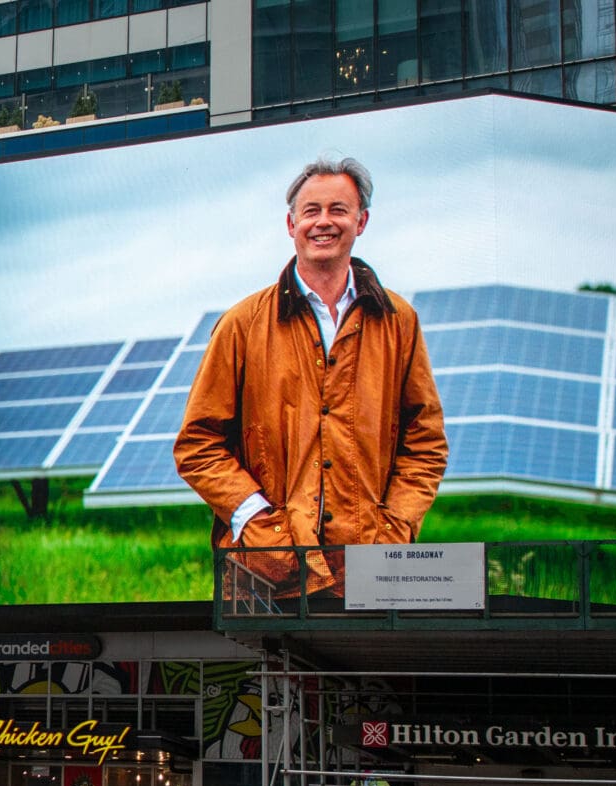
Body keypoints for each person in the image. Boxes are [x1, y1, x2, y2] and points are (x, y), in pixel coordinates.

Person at [174, 157, 448, 599]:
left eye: (338, 210)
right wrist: (261, 525)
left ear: (362, 221)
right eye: (311, 211)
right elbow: (197, 445)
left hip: (373, 571)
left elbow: (426, 442)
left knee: (368, 671)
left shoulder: (399, 321)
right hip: (266, 573)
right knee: (270, 671)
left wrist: (393, 529)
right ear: (291, 224)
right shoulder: (242, 324)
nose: (324, 222)